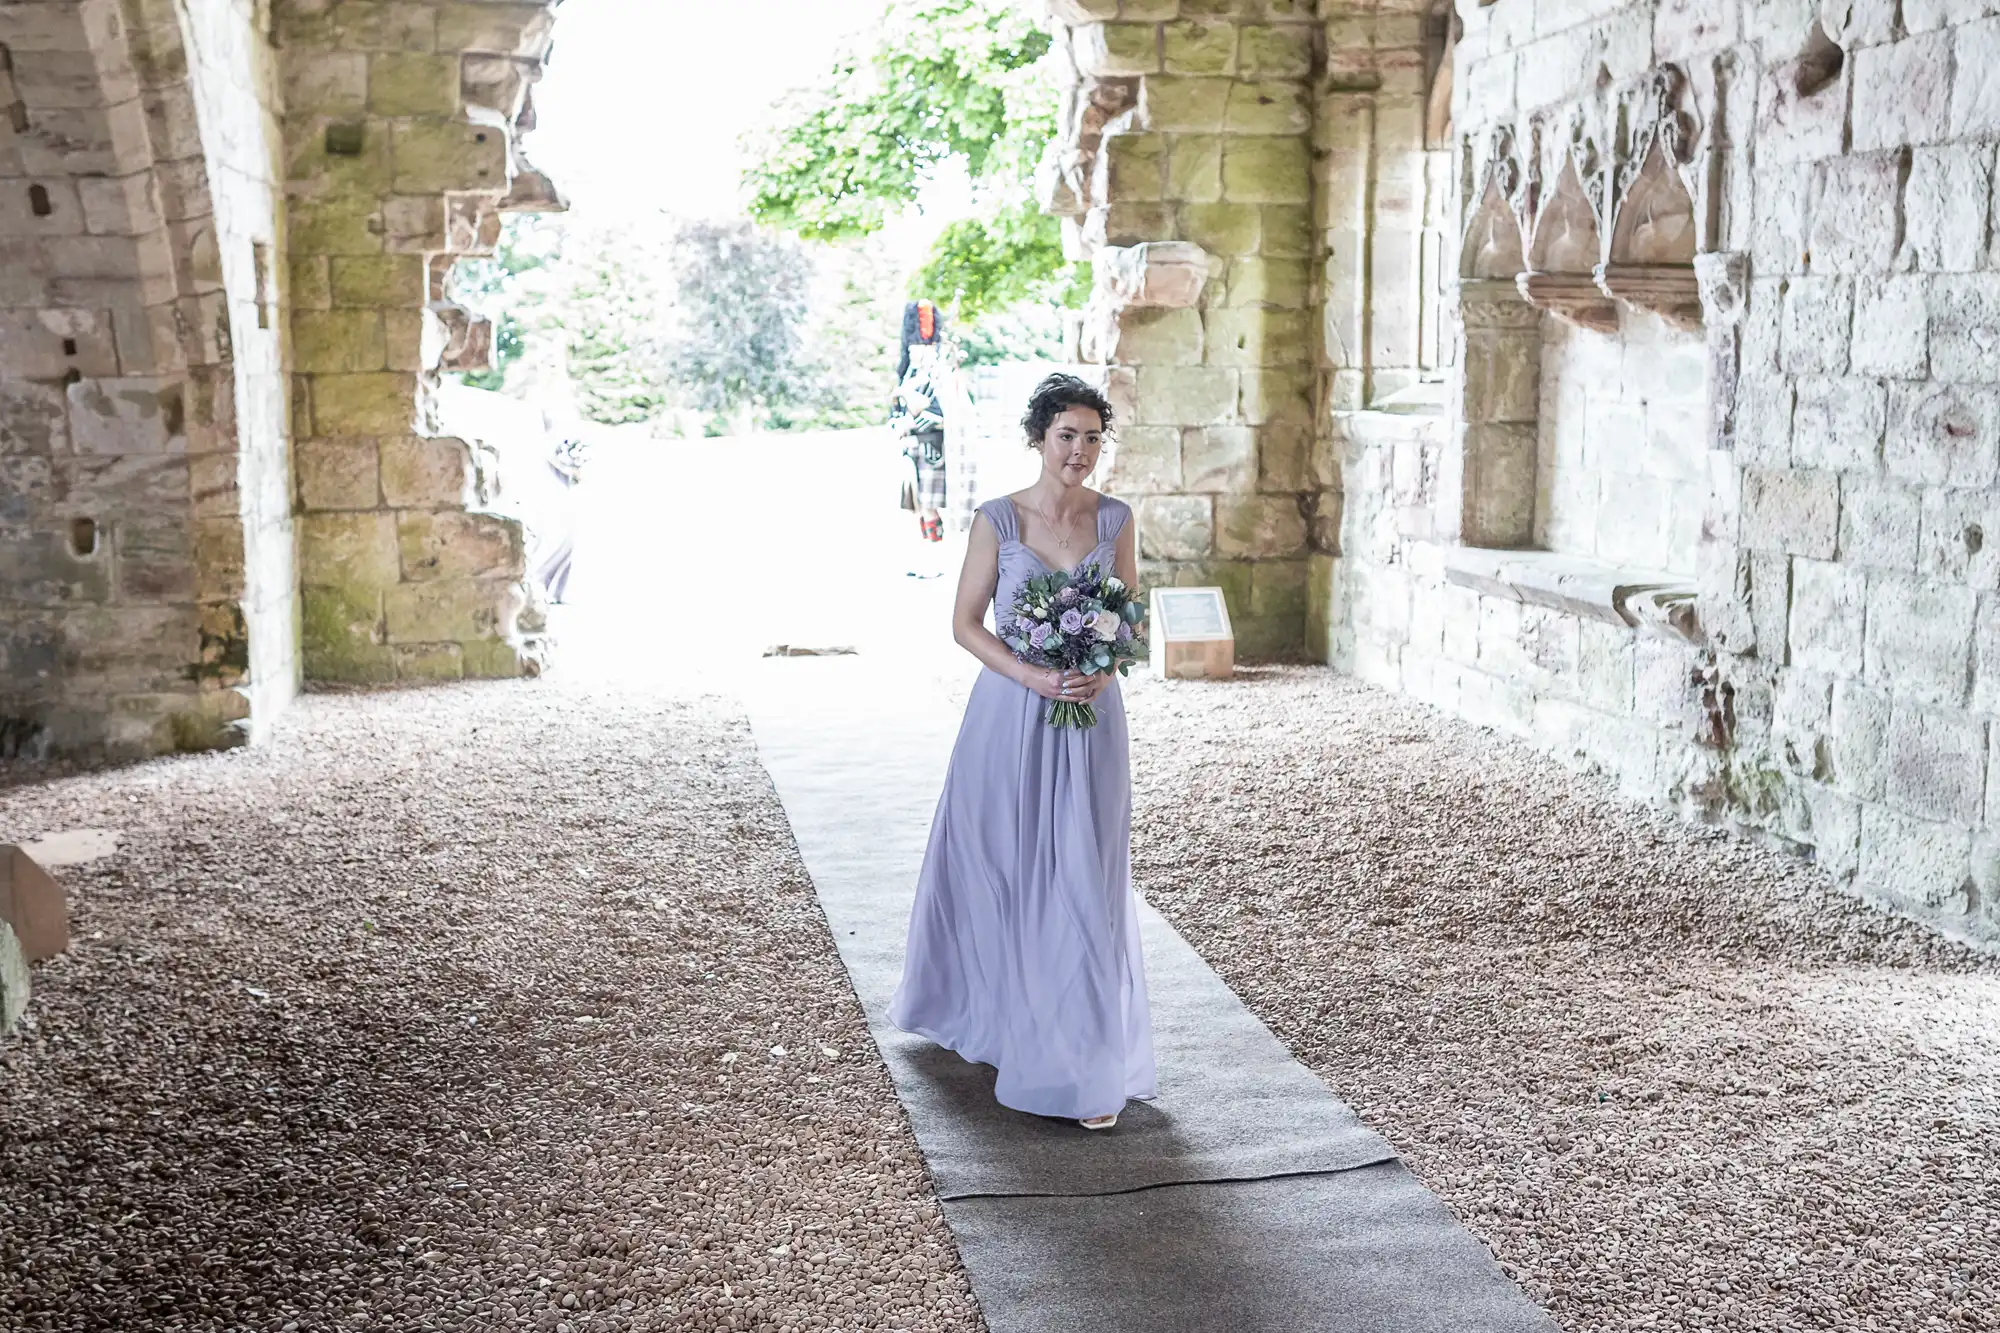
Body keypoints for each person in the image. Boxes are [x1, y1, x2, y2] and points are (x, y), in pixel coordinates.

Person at [887, 374, 1155, 1131]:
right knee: (1002, 863)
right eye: (1067, 435)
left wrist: (1103, 667)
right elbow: (966, 623)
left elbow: (1127, 618)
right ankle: (995, 1014)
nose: (1080, 450)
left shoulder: (1116, 518)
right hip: (1010, 713)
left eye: (1093, 437)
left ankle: (1079, 1052)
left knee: (1082, 869)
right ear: (1039, 438)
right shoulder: (997, 520)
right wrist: (1036, 672)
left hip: (1092, 721)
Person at [891, 300, 950, 544]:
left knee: (929, 507)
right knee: (916, 506)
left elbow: (943, 416)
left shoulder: (939, 376)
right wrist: (896, 423)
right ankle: (923, 558)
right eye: (914, 347)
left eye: (923, 347)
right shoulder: (907, 373)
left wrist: (911, 424)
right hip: (911, 449)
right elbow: (896, 409)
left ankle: (936, 559)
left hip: (931, 449)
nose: (918, 352)